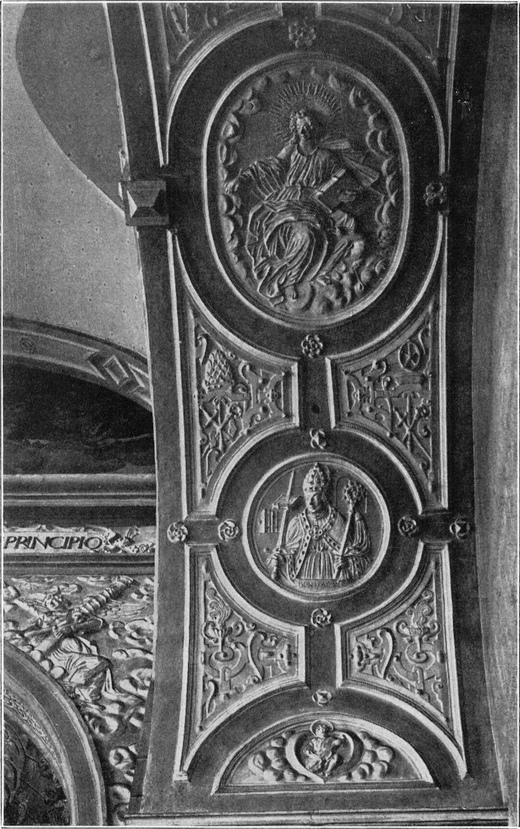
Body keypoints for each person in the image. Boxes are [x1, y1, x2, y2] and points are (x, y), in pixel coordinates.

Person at [230, 108, 378, 309]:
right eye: (301, 127)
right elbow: (265, 167)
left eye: (309, 126)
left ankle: (321, 273)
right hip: (288, 204)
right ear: (295, 130)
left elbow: (344, 182)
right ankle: (288, 279)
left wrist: (346, 195)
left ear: (316, 128)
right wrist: (242, 178)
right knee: (305, 234)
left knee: (349, 228)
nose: (305, 130)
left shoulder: (326, 156)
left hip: (318, 207)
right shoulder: (290, 152)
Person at [267, 463, 371, 589]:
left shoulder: (336, 519)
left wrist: (346, 562)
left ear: (323, 497)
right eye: (307, 498)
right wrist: (278, 560)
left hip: (331, 572)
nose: (310, 502)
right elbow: (287, 555)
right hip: (303, 574)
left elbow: (355, 555)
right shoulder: (297, 522)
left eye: (315, 497)